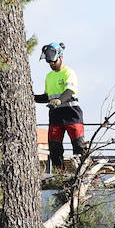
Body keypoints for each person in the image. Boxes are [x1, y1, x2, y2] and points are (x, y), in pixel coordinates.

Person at [34, 42, 85, 171]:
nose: (51, 64)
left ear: (60, 57)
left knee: (79, 147)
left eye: (53, 62)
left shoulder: (69, 72)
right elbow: (47, 96)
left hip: (72, 114)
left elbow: (69, 92)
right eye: (49, 62)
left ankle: (85, 173)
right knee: (54, 148)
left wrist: (59, 100)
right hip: (56, 116)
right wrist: (32, 97)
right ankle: (59, 173)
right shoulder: (49, 76)